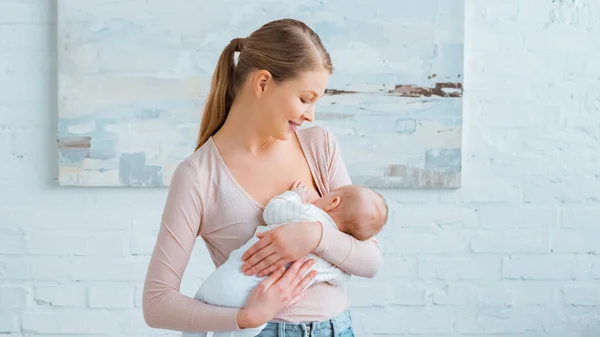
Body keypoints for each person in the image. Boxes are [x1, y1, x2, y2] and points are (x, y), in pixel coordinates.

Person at [142, 18, 383, 337]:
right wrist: (245, 318)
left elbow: (370, 262)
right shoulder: (199, 176)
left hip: (337, 329)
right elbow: (157, 304)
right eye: (305, 98)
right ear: (263, 83)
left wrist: (314, 236)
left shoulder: (319, 145)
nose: (311, 114)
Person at [182, 181, 388, 337]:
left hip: (228, 279)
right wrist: (341, 271)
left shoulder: (308, 211)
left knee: (201, 317)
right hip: (252, 304)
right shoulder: (330, 255)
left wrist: (294, 196)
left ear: (333, 202)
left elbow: (274, 211)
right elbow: (329, 275)